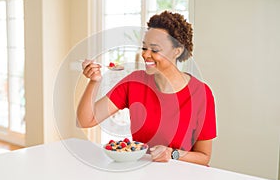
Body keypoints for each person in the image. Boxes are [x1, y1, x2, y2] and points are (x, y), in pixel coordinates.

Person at [77, 11, 217, 166]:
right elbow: (86, 120)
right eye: (144, 48)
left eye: (155, 50)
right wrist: (94, 82)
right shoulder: (134, 82)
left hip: (182, 179)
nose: (146, 55)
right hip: (141, 174)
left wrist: (172, 154)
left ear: (177, 51)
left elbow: (204, 157)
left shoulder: (201, 93)